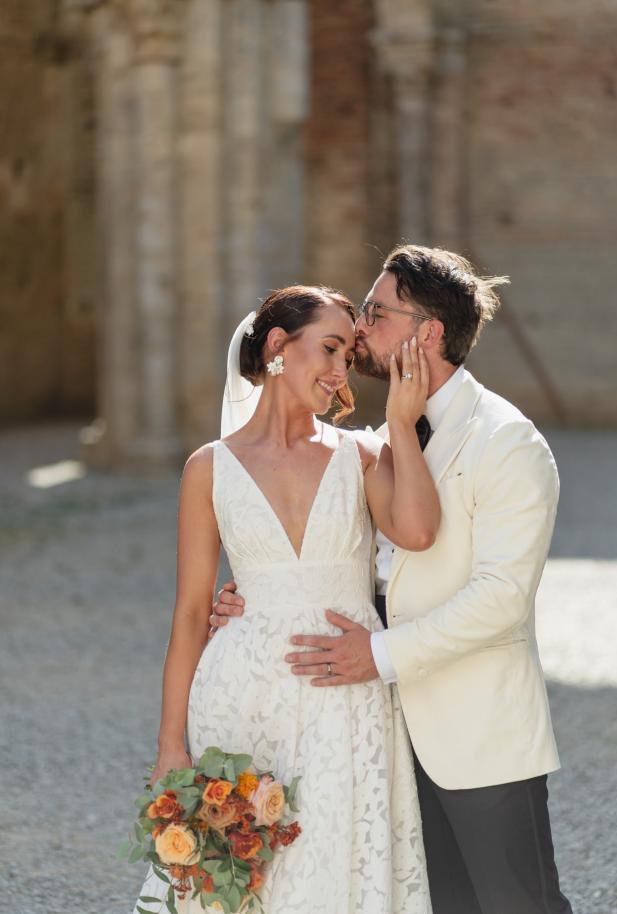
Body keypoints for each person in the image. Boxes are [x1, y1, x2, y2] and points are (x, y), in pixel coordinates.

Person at [212, 247, 574, 914]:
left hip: (476, 733)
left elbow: (500, 601)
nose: (358, 330)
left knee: (518, 905)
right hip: (378, 735)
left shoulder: (507, 443)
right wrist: (247, 597)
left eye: (375, 313)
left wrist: (373, 655)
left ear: (425, 333)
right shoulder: (382, 441)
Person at [133, 285, 436, 914]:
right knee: (245, 882)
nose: (337, 371)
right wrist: (170, 745)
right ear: (277, 345)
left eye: (347, 358)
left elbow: (418, 531)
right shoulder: (207, 468)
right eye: (327, 349)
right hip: (240, 696)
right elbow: (191, 612)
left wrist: (401, 425)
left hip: (344, 699)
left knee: (334, 870)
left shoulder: (361, 454)